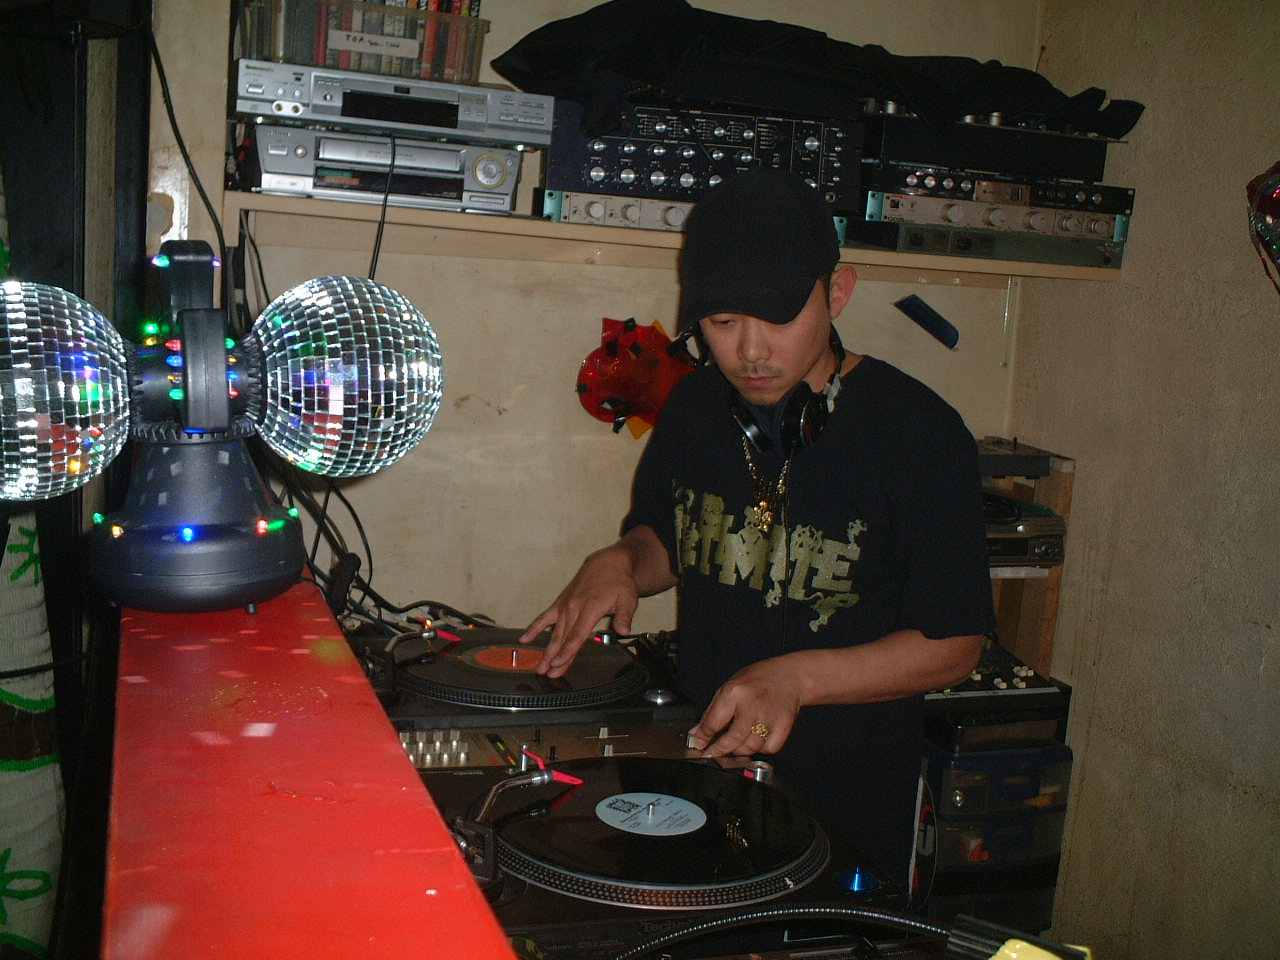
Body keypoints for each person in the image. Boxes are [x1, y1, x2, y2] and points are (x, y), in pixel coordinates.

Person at [519, 168, 996, 882]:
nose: (749, 352)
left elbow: (955, 645)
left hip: (847, 814)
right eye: (722, 323)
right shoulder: (694, 410)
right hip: (701, 786)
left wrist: (797, 679)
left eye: (777, 318)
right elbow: (668, 541)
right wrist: (621, 560)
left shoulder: (920, 434)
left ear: (837, 293)